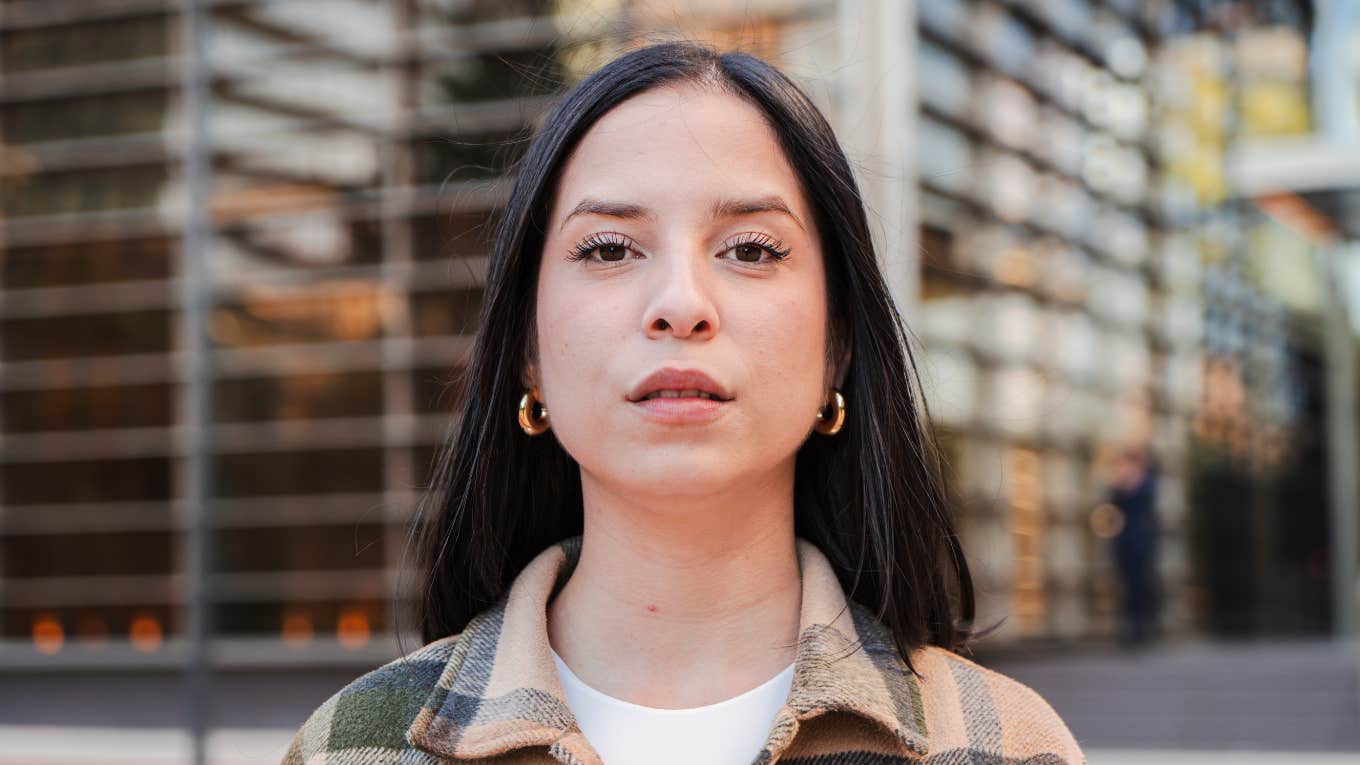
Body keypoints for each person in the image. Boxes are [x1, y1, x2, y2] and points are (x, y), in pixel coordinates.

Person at [282, 40, 1085, 764]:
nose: (679, 303)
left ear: (838, 343)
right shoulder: (354, 745)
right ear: (528, 350)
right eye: (608, 248)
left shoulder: (1001, 742)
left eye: (750, 248)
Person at [1107, 445, 1162, 647]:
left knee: (1141, 584)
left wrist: (1129, 482)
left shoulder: (1148, 483)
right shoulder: (1120, 483)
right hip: (1124, 540)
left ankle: (1143, 629)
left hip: (1141, 540)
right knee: (1125, 584)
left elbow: (1142, 501)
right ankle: (1131, 628)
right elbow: (1113, 499)